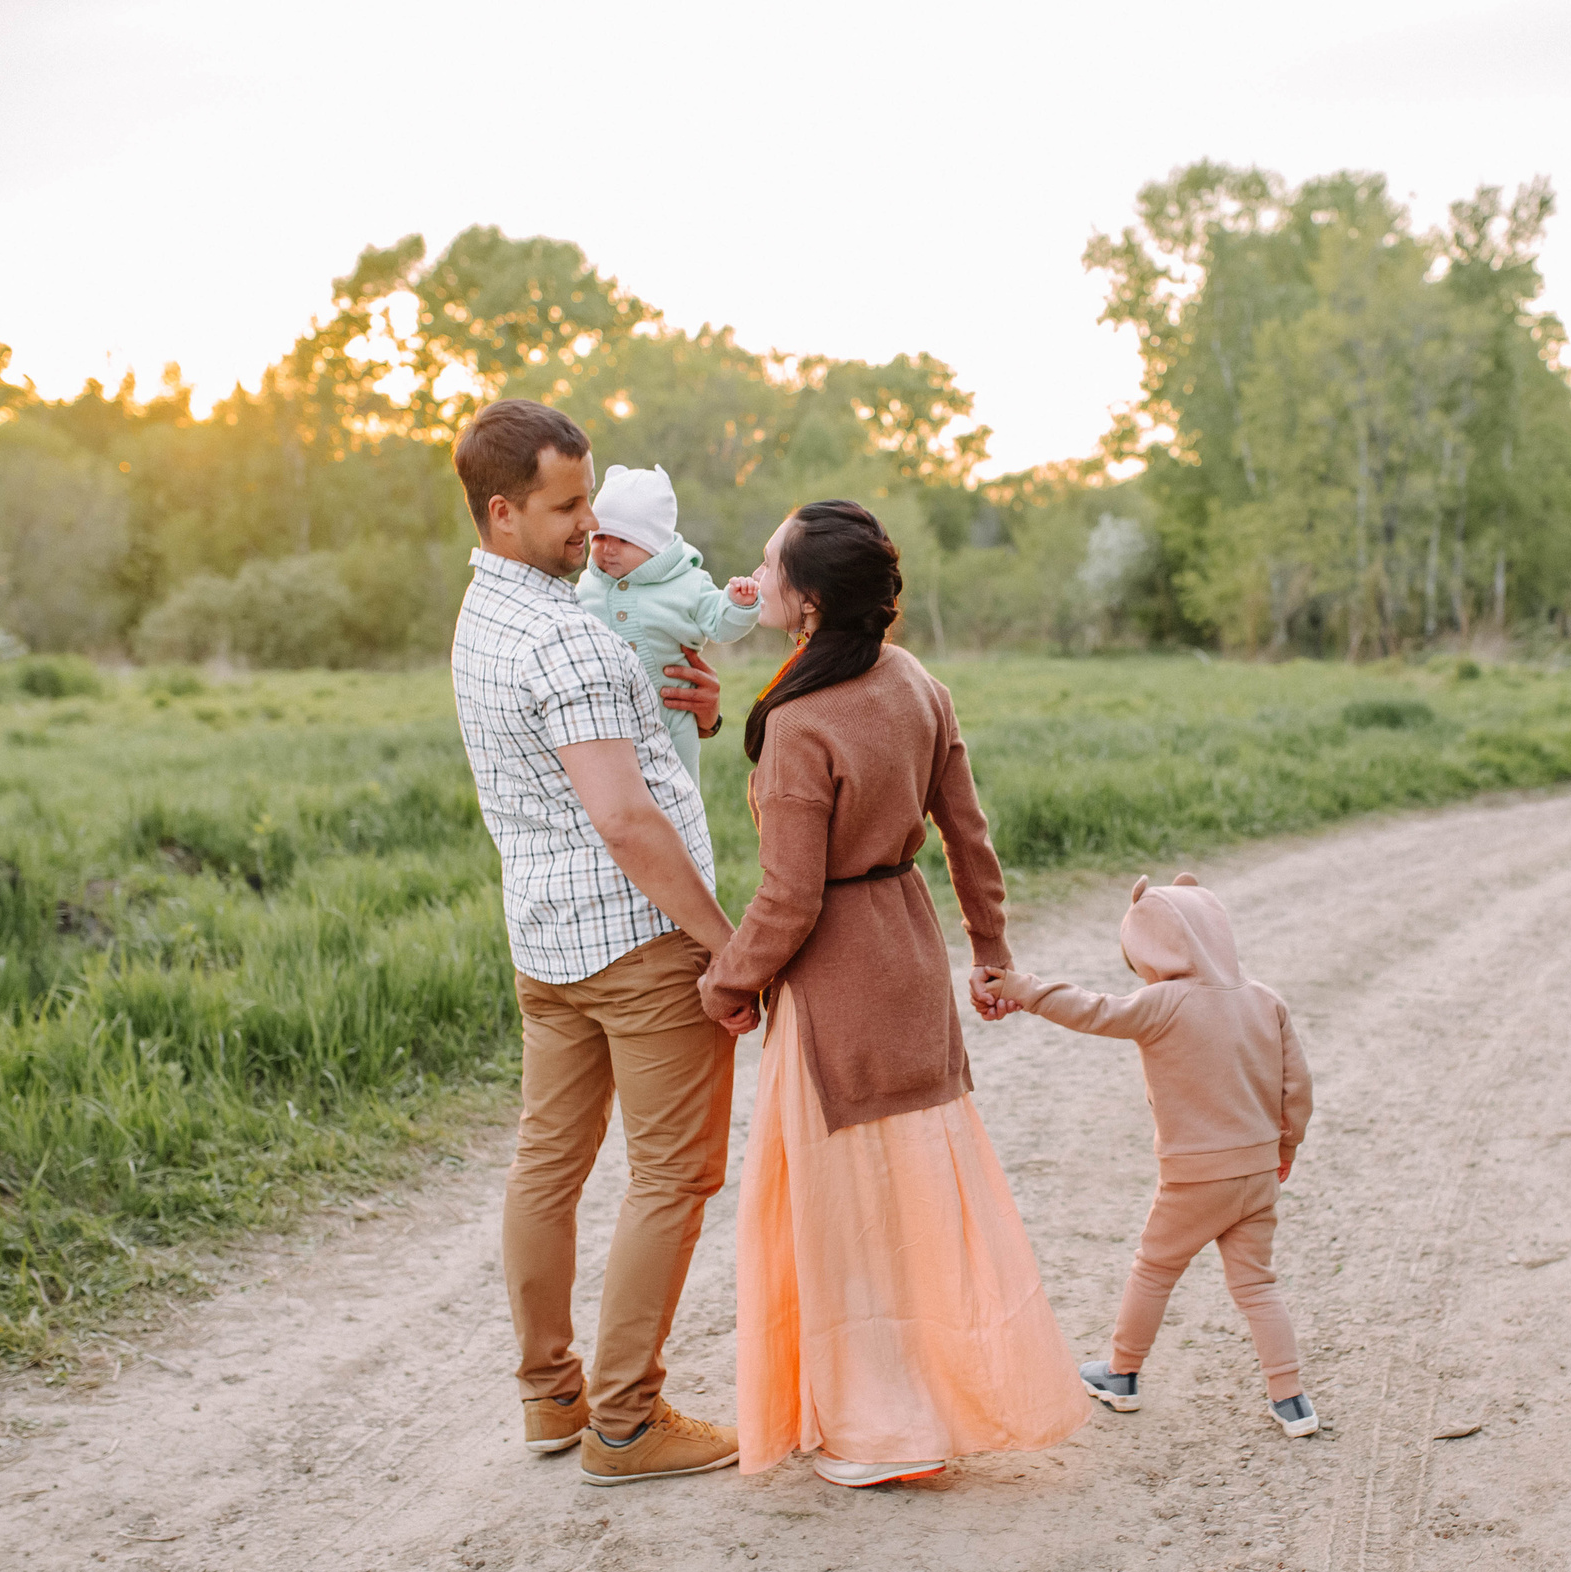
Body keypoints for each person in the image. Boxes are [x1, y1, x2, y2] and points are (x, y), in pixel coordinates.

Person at [697, 499, 1089, 1489]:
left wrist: (728, 980)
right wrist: (989, 954)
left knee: (844, 1219)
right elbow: (969, 834)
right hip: (909, 959)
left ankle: (878, 1428)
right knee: (909, 1204)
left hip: (835, 985)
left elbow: (786, 899)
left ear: (808, 601)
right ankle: (923, 1398)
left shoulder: (797, 722)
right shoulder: (916, 684)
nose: (757, 568)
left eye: (769, 557)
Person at [447, 397, 750, 1486]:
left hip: (543, 937)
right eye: (565, 506)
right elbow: (625, 817)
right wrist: (725, 944)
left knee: (548, 1165)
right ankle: (626, 1422)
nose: (589, 524)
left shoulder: (487, 619)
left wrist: (699, 719)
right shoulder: (569, 638)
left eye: (587, 500)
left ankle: (550, 1398)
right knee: (673, 1174)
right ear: (501, 512)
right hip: (638, 941)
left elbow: (614, 755)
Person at [979, 874, 1321, 1438]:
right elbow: (1297, 1089)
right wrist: (1287, 1147)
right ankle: (1291, 1400)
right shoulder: (1266, 1001)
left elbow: (1092, 1010)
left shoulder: (1164, 1003)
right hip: (1259, 1172)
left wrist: (1024, 987)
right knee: (1258, 1285)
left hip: (1195, 1178)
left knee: (1155, 1268)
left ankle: (1121, 1374)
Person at [584, 464, 762, 782]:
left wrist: (738, 604)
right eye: (600, 536)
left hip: (671, 719)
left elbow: (720, 625)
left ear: (655, 545)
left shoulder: (688, 583)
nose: (608, 549)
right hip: (602, 723)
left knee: (677, 795)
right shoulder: (587, 585)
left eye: (623, 540)